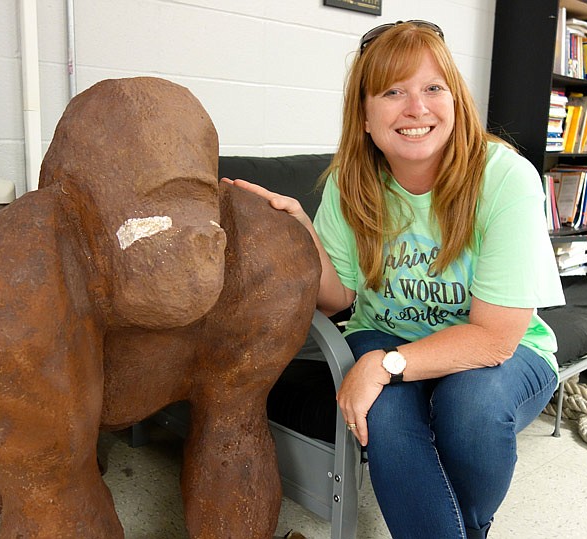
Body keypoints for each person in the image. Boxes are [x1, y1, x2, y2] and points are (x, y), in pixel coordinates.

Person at [223, 20, 565, 539]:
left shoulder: (504, 178)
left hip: (503, 348)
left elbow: (495, 339)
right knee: (387, 421)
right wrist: (300, 229)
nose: (417, 108)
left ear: (456, 100)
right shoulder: (349, 181)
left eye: (433, 88)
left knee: (470, 405)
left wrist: (383, 367)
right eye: (393, 92)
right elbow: (339, 298)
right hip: (384, 328)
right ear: (364, 114)